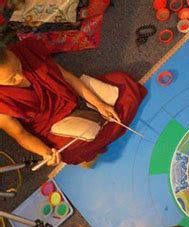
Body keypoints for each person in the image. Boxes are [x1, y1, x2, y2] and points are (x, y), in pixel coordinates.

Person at [0, 38, 147, 165]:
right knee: (70, 151)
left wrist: (99, 104)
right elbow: (20, 134)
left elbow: (66, 77)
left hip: (69, 97)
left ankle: (103, 127)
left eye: (18, 67)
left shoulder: (25, 50)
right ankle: (102, 129)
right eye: (11, 79)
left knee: (122, 83)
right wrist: (45, 152)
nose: (20, 76)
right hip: (50, 125)